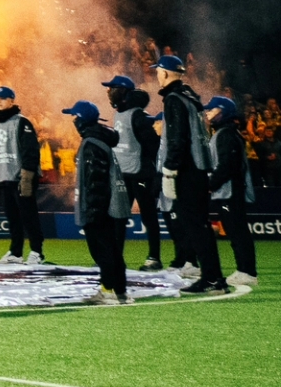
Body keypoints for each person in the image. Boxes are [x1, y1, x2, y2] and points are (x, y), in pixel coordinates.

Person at [154, 55, 225, 294]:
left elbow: (177, 138)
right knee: (201, 225)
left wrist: (170, 171)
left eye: (158, 72)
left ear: (164, 73)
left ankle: (212, 279)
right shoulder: (190, 97)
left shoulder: (174, 99)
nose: (156, 76)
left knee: (194, 226)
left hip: (186, 170)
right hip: (199, 167)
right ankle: (215, 278)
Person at [68, 99, 129, 304]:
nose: (73, 121)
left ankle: (108, 290)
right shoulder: (100, 140)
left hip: (99, 208)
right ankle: (120, 291)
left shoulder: (90, 144)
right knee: (112, 249)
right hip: (109, 206)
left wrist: (93, 210)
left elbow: (95, 181)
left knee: (102, 250)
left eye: (75, 117)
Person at [106, 73, 164, 269]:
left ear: (122, 92)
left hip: (140, 174)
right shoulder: (119, 113)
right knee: (118, 217)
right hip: (123, 173)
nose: (108, 92)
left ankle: (154, 258)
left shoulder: (138, 115)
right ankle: (116, 257)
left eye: (112, 89)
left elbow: (153, 144)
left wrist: (152, 171)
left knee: (148, 216)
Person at [0, 87, 46, 263]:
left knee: (29, 216)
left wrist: (27, 176)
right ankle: (16, 252)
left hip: (19, 178)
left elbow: (31, 151)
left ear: (12, 101)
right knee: (12, 219)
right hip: (5, 177)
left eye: (4, 98)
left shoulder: (22, 122)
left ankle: (37, 251)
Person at [205, 91, 254, 282]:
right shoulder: (224, 134)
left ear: (223, 113)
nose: (208, 113)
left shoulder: (226, 135)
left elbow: (227, 165)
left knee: (237, 231)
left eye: (212, 110)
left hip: (230, 190)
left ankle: (247, 271)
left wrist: (210, 184)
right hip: (226, 189)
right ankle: (244, 270)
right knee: (235, 231)